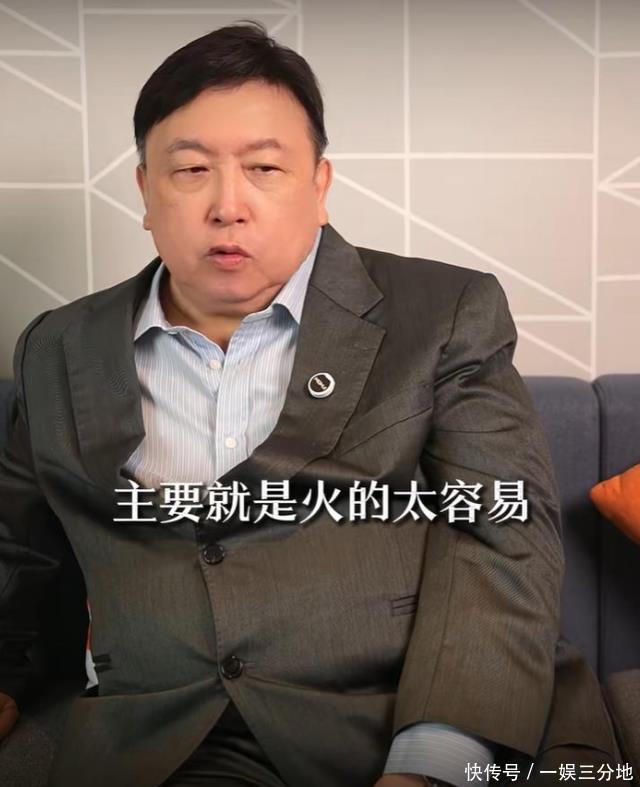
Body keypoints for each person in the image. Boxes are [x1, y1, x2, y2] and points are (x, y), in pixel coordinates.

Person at [0, 21, 619, 787]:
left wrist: (432, 762)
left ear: (319, 187)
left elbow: (500, 533)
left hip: (400, 717)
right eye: (190, 170)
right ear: (145, 191)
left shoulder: (441, 313)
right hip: (170, 739)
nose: (228, 205)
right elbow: (19, 553)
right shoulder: (60, 347)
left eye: (264, 167)